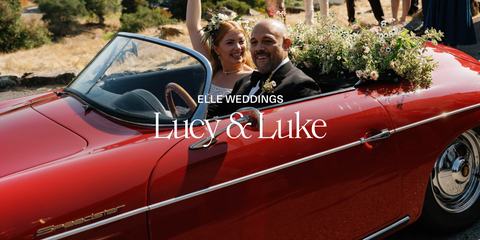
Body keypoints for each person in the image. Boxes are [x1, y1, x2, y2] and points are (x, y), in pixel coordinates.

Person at [208, 19, 321, 118]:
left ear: (286, 44)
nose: (259, 48)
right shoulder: (243, 81)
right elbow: (212, 111)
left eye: (267, 41)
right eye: (254, 42)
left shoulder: (300, 86)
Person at [186, 0, 255, 100]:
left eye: (241, 41)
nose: (238, 47)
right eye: (230, 42)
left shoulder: (252, 78)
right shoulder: (213, 67)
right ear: (216, 49)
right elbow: (193, 26)